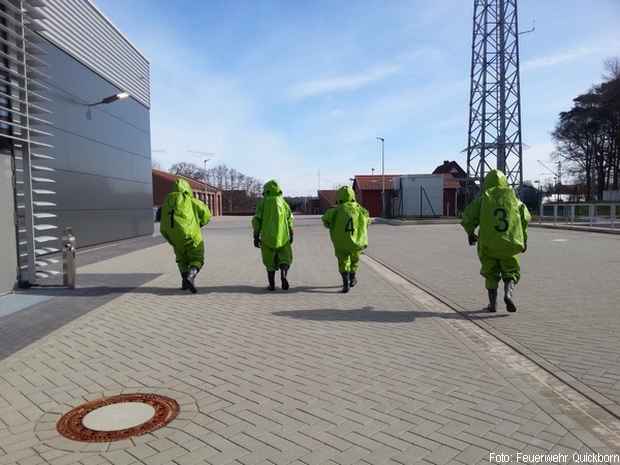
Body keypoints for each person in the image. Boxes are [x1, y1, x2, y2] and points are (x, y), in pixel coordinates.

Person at [461, 169, 530, 312]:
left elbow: (468, 217)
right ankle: (508, 294)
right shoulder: (514, 200)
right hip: (510, 243)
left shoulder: (484, 199)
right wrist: (524, 240)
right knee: (510, 271)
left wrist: (470, 233)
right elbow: (525, 219)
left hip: (488, 244)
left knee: (490, 273)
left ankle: (492, 305)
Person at [160, 179, 211, 294]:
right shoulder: (191, 200)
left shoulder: (166, 203)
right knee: (197, 258)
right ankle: (190, 277)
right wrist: (200, 223)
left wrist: (169, 237)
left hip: (174, 238)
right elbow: (206, 214)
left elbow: (163, 223)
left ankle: (184, 282)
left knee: (181, 260)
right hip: (191, 235)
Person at [321, 186, 370, 293]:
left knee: (343, 261)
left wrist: (331, 225)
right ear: (353, 195)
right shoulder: (359, 208)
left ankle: (345, 283)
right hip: (356, 242)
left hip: (340, 242)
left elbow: (325, 220)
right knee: (354, 260)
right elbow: (367, 219)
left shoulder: (336, 210)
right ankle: (352, 278)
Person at [252, 180, 294, 291]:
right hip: (283, 236)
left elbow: (257, 220)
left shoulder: (263, 203)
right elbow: (290, 219)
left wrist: (256, 236)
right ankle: (284, 275)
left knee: (269, 262)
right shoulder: (284, 203)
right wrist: (291, 232)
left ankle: (272, 285)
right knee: (285, 259)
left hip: (267, 237)